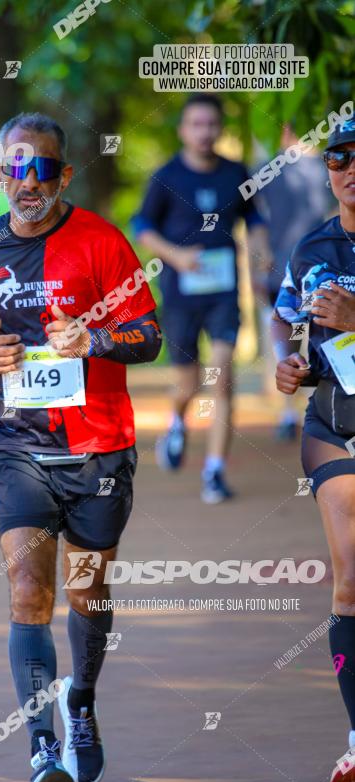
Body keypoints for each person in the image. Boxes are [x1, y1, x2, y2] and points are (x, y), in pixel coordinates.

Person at [0, 112, 162, 782]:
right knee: (26, 592)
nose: (27, 181)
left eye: (40, 167)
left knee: (87, 594)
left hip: (98, 445)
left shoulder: (101, 241)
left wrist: (95, 340)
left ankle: (81, 701)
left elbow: (149, 334)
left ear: (62, 174)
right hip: (17, 444)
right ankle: (41, 747)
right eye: (15, 167)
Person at [271, 112, 355, 782]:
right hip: (334, 426)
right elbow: (298, 336)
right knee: (349, 575)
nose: (349, 168)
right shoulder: (311, 247)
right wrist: (291, 369)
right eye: (338, 157)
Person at [133, 93, 270, 503]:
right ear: (183, 130)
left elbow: (255, 219)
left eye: (211, 124)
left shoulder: (235, 173)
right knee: (188, 383)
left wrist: (262, 261)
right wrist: (175, 256)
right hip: (181, 294)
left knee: (222, 375)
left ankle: (214, 471)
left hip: (225, 292)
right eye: (196, 124)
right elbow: (141, 225)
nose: (204, 132)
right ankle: (177, 422)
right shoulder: (166, 177)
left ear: (220, 128)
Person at [259, 123, 332, 441]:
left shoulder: (267, 169)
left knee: (284, 340)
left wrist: (255, 269)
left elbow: (254, 227)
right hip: (313, 269)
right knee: (307, 337)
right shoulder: (327, 166)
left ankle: (289, 413)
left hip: (286, 268)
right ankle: (293, 410)